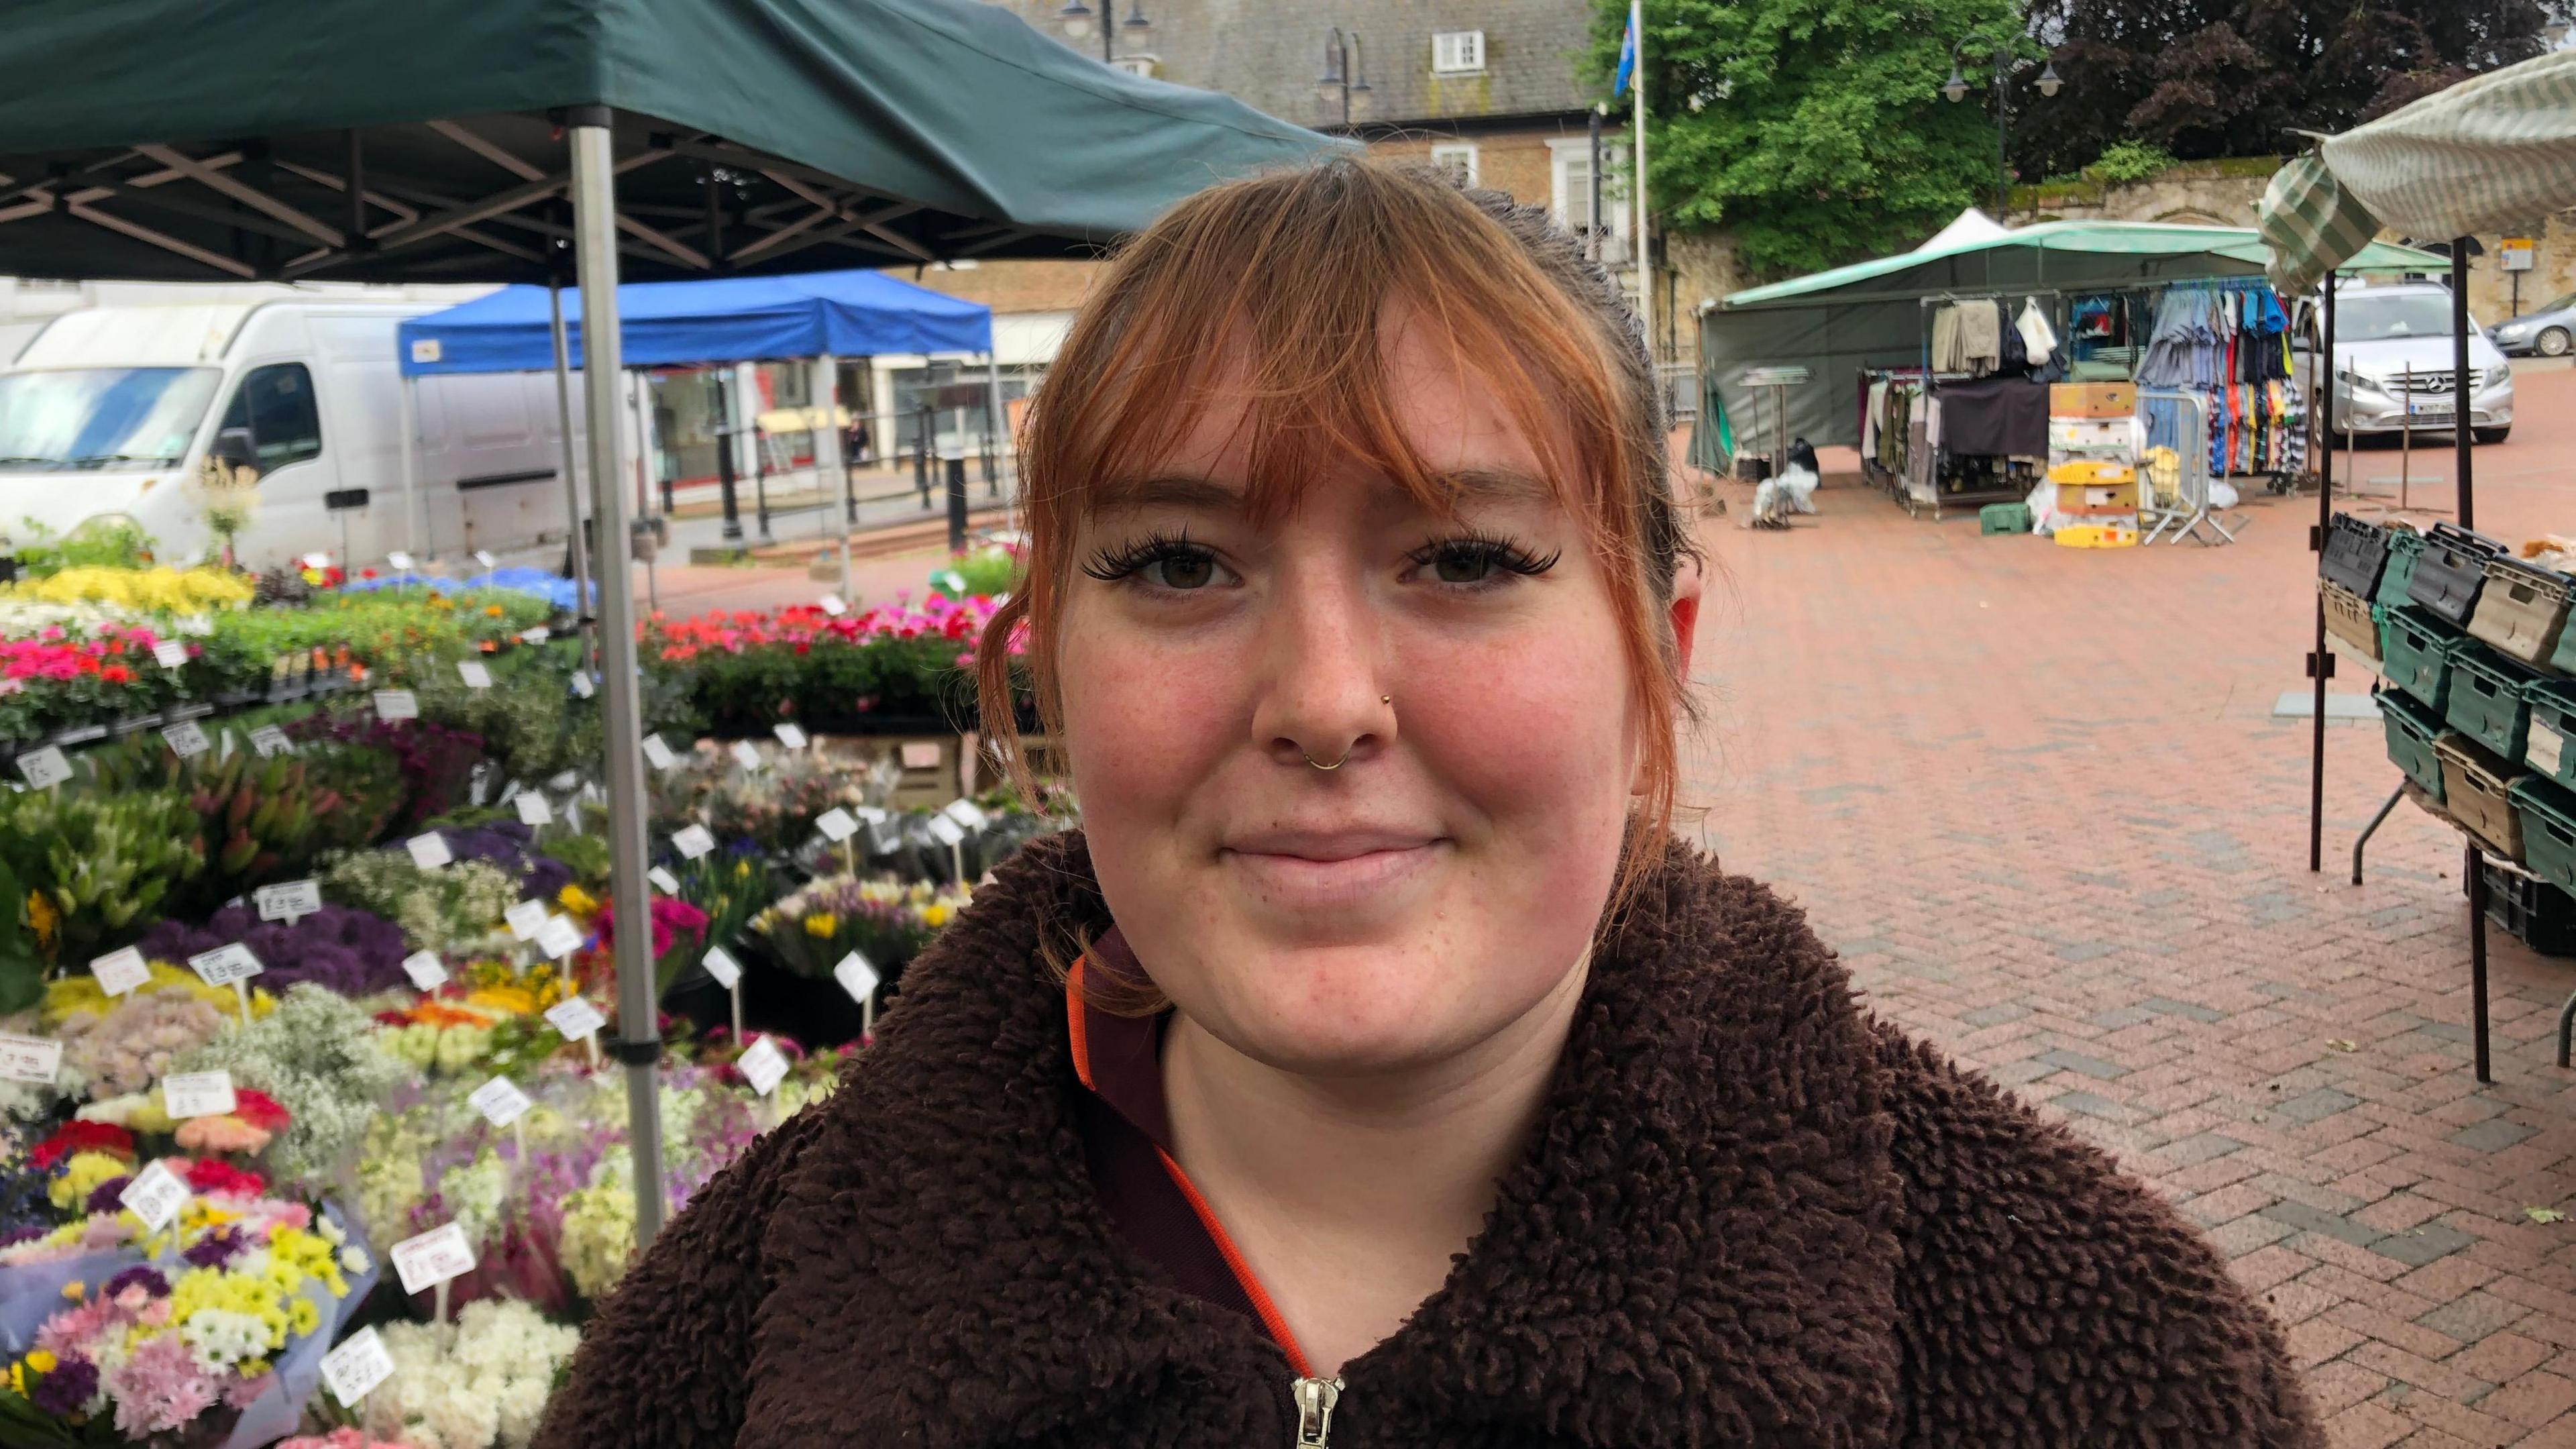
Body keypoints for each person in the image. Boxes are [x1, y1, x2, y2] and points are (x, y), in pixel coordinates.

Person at [537, 161, 2320, 1448]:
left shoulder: (2113, 1362)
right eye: (1175, 561)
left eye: (1463, 557)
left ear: (1652, 654)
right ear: (1050, 664)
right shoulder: (723, 1354)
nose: (1323, 700)